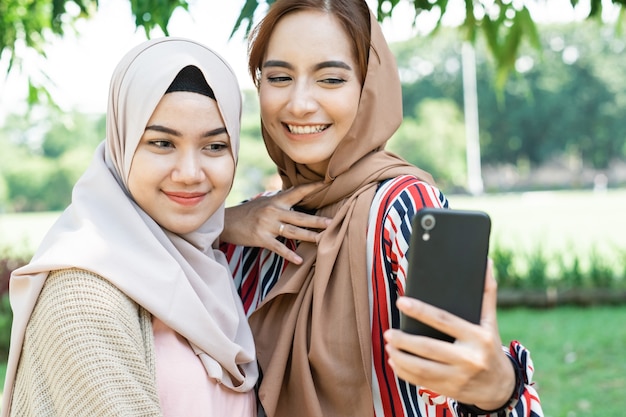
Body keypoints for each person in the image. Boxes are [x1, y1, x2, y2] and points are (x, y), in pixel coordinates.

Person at [220, 0, 543, 416]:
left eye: (331, 79)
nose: (299, 104)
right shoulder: (247, 226)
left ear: (369, 86)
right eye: (279, 77)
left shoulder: (402, 206)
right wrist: (219, 222)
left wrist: (497, 386)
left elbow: (460, 377)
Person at [1, 38, 258, 416]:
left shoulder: (209, 269)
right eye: (161, 143)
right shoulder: (83, 294)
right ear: (122, 145)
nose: (190, 173)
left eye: (215, 146)